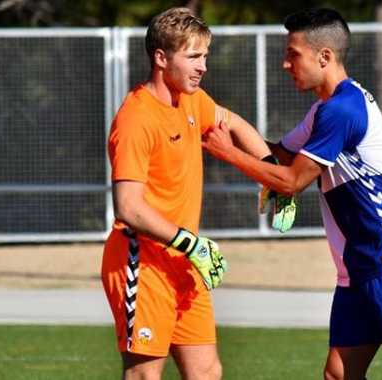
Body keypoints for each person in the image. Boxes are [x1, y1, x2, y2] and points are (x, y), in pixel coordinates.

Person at [203, 7, 382, 380]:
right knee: (338, 375)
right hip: (360, 265)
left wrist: (225, 151)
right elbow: (278, 154)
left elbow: (291, 180)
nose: (285, 64)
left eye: (292, 54)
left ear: (324, 56)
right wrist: (224, 120)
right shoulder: (324, 111)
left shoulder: (343, 109)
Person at [101, 7, 287, 380]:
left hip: (186, 262)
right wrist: (191, 243)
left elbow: (231, 123)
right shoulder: (136, 119)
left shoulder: (190, 99)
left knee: (206, 373)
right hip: (145, 262)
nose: (202, 66)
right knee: (144, 375)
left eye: (205, 56)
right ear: (160, 57)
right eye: (192, 57)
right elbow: (128, 206)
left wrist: (273, 174)